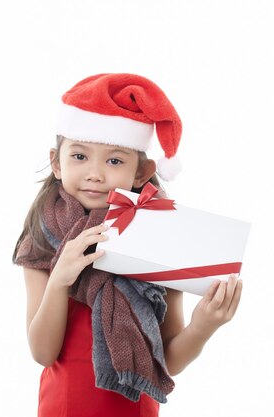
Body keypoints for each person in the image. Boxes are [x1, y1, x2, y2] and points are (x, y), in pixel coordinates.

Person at [13, 73, 243, 417]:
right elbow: (43, 353)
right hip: (63, 406)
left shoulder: (160, 239)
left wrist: (204, 325)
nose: (95, 173)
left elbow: (168, 360)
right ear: (56, 162)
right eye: (79, 156)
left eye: (114, 160)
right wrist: (61, 277)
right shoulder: (43, 237)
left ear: (141, 172)